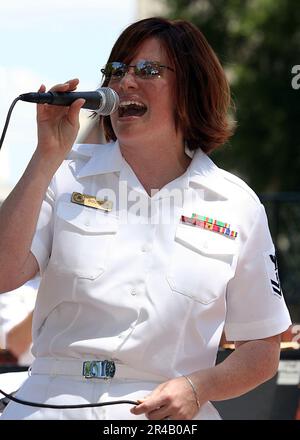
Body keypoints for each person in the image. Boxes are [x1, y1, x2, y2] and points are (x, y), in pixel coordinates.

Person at [0, 17, 291, 420]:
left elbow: (262, 349)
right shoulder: (62, 172)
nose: (125, 83)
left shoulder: (237, 204)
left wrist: (198, 387)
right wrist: (45, 156)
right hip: (52, 403)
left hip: (169, 416)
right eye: (116, 71)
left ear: (191, 91)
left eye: (148, 70)